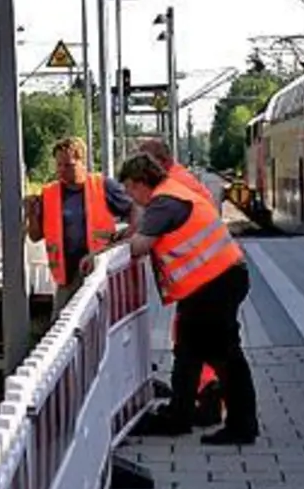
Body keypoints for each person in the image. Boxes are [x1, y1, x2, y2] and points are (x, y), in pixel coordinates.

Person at [116, 153, 258, 445]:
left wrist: (103, 254)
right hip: (213, 282)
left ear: (142, 182)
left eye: (130, 187)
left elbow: (140, 245)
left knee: (225, 355)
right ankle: (178, 415)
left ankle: (242, 425)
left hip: (215, 283)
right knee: (188, 351)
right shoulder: (171, 194)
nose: (130, 195)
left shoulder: (164, 202)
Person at [137, 138, 224, 427]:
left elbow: (147, 234)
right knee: (195, 340)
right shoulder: (180, 180)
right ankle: (198, 402)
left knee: (193, 343)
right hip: (208, 271)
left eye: (145, 166)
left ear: (158, 163)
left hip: (203, 273)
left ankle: (202, 401)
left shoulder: (170, 189)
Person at [24, 136, 135, 311]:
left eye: (68, 165)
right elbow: (35, 236)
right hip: (66, 275)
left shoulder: (103, 186)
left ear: (82, 162)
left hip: (100, 269)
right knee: (62, 320)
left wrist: (127, 239)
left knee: (100, 316)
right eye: (59, 165)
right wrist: (32, 214)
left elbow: (134, 211)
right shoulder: (50, 194)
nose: (62, 170)